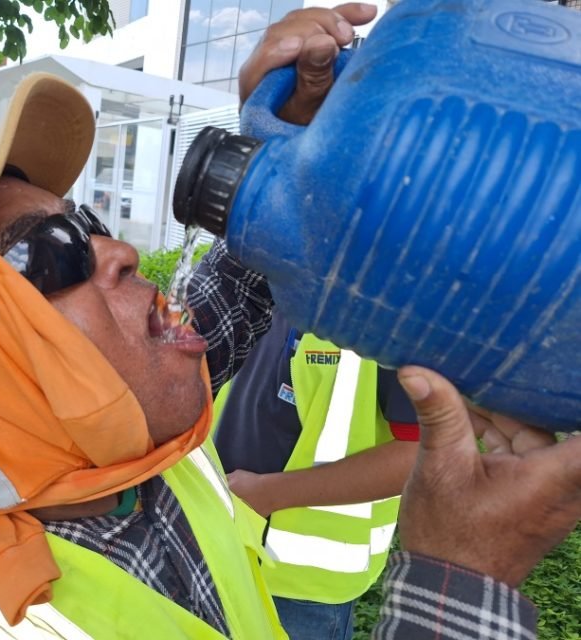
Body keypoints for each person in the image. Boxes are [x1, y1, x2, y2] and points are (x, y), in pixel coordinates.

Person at [0, 73, 580, 640]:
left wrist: (302, 141)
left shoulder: (120, 443)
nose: (123, 250)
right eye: (51, 250)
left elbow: (236, 291)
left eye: (90, 218)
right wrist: (457, 586)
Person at [189, 5, 418, 639]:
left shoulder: (399, 288)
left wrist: (269, 494)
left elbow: (420, 452)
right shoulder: (278, 248)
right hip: (216, 540)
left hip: (305, 584)